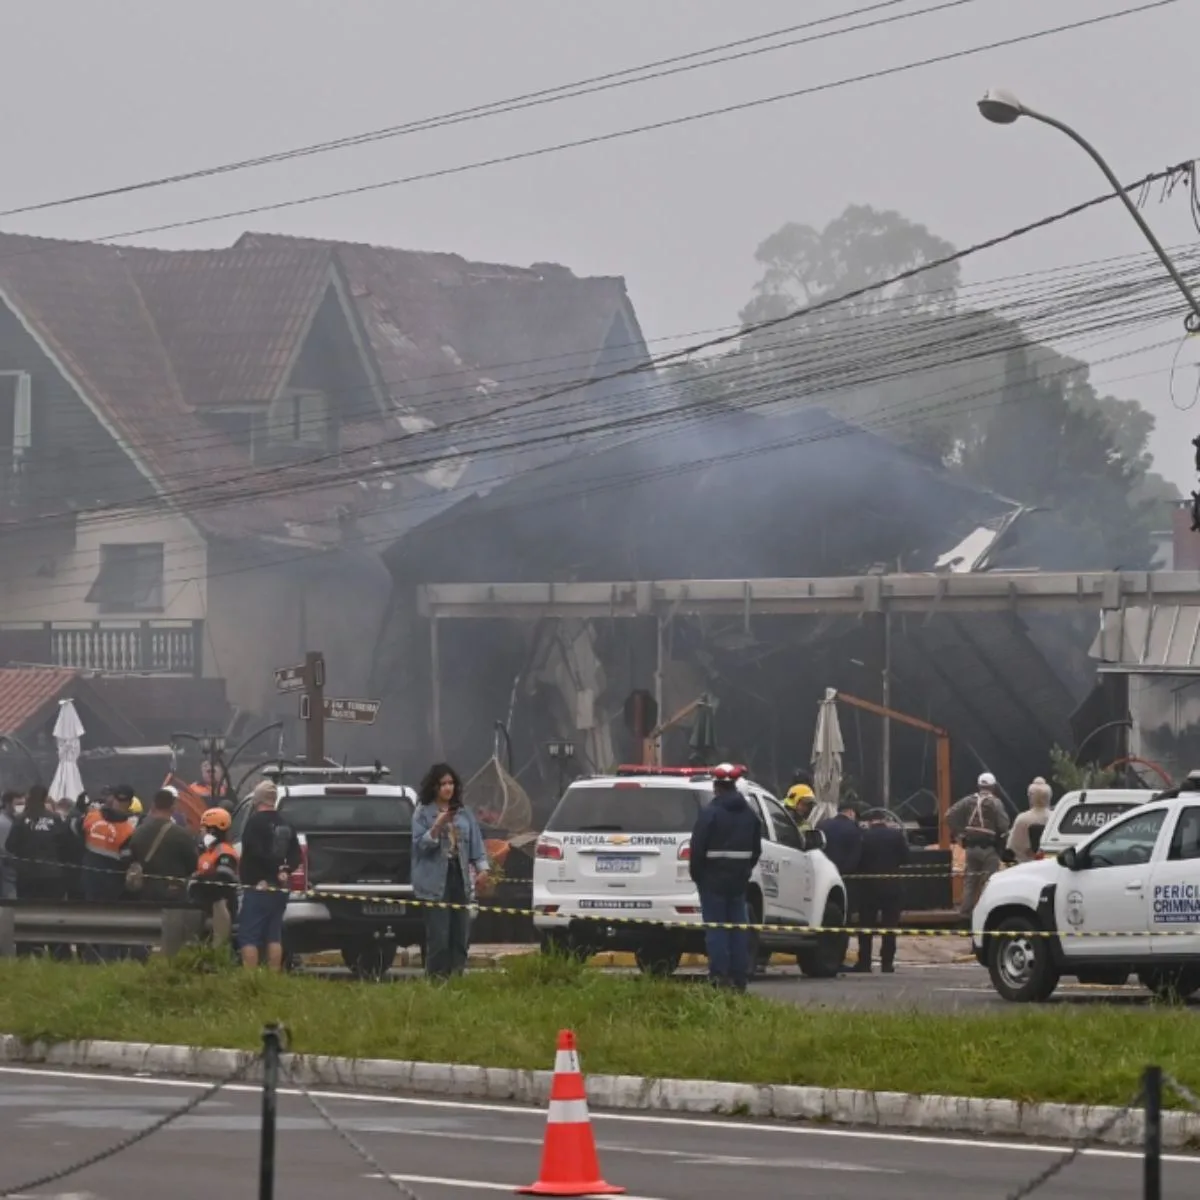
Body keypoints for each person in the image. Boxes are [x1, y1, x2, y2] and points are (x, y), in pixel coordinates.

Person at [688, 762, 762, 991]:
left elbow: (697, 849)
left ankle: (720, 976)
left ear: (717, 786)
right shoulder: (750, 815)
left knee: (716, 929)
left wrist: (699, 876)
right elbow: (755, 850)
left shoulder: (710, 813)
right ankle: (740, 976)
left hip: (712, 881)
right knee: (738, 928)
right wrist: (744, 870)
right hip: (738, 881)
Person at [412, 763, 490, 980]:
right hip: (433, 881)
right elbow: (419, 847)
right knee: (439, 936)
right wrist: (437, 826)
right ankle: (436, 980)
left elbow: (476, 844)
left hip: (460, 877)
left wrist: (483, 869)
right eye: (443, 784)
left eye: (451, 783)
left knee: (460, 932)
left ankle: (456, 979)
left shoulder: (463, 814)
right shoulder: (423, 813)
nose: (448, 788)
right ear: (434, 787)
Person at [238, 780, 300, 971]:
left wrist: (265, 875)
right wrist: (285, 870)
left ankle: (251, 978)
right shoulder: (286, 823)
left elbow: (255, 853)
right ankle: (274, 977)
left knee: (249, 936)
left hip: (259, 886)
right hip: (280, 888)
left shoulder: (254, 823)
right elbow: (296, 854)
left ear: (257, 799)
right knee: (274, 936)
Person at [5, 786, 73, 957]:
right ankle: (58, 953)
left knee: (27, 915)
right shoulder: (55, 819)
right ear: (45, 799)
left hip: (27, 876)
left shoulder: (21, 820)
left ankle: (26, 952)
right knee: (54, 915)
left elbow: (9, 846)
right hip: (53, 876)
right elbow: (66, 846)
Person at [947, 772, 1011, 917]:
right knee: (988, 884)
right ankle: (984, 916)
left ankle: (964, 916)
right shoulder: (995, 803)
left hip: (970, 848)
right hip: (989, 849)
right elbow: (1004, 825)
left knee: (970, 884)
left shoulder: (968, 801)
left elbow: (949, 815)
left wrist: (959, 834)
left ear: (979, 785)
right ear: (993, 786)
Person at [853, 810, 910, 974]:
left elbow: (858, 860)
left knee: (865, 927)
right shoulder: (896, 835)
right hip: (892, 887)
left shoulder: (864, 837)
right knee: (890, 926)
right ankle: (887, 962)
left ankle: (864, 962)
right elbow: (906, 858)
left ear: (870, 822)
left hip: (868, 887)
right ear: (884, 820)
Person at [128, 789, 199, 903]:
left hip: (145, 894)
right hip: (173, 895)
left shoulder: (139, 832)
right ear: (173, 807)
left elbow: (132, 858)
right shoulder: (181, 835)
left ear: (153, 805)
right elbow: (193, 865)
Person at [189, 807, 240, 949]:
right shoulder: (208, 850)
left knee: (219, 945)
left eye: (204, 828)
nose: (201, 831)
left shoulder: (224, 852)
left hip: (221, 907)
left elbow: (223, 878)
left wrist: (201, 881)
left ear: (213, 830)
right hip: (206, 907)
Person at [81, 784, 139, 903]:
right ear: (130, 803)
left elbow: (76, 835)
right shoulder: (128, 830)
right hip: (112, 884)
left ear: (113, 798)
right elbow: (126, 859)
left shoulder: (92, 817)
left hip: (88, 878)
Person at [1007, 777, 1053, 864]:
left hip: (1026, 864)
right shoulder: (1055, 817)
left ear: (1031, 797)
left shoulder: (1022, 819)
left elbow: (1013, 847)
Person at [0, 791, 20, 902]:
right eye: (17, 804)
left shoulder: (18, 821)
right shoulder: (3, 823)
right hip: (6, 872)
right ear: (8, 804)